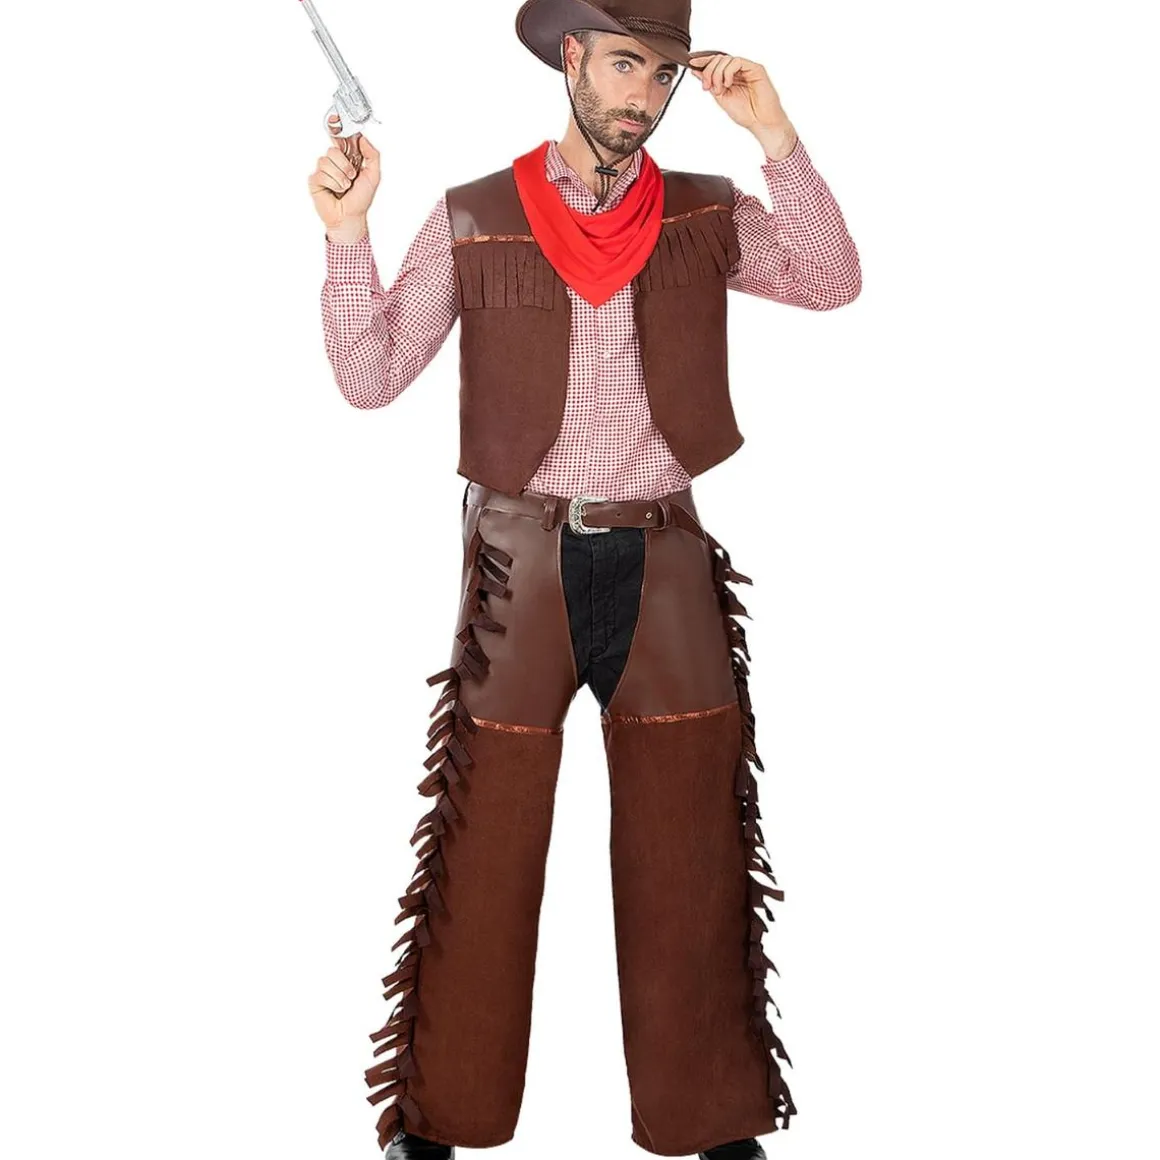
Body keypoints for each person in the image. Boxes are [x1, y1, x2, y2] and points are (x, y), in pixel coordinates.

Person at [307, 3, 860, 1157]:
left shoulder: (703, 210)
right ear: (571, 60)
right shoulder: (475, 216)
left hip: (665, 560)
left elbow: (829, 277)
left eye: (660, 76)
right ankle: (440, 1118)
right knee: (485, 836)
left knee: (690, 837)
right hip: (519, 564)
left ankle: (711, 1120)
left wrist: (774, 134)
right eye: (620, 66)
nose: (640, 98)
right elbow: (369, 374)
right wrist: (346, 233)